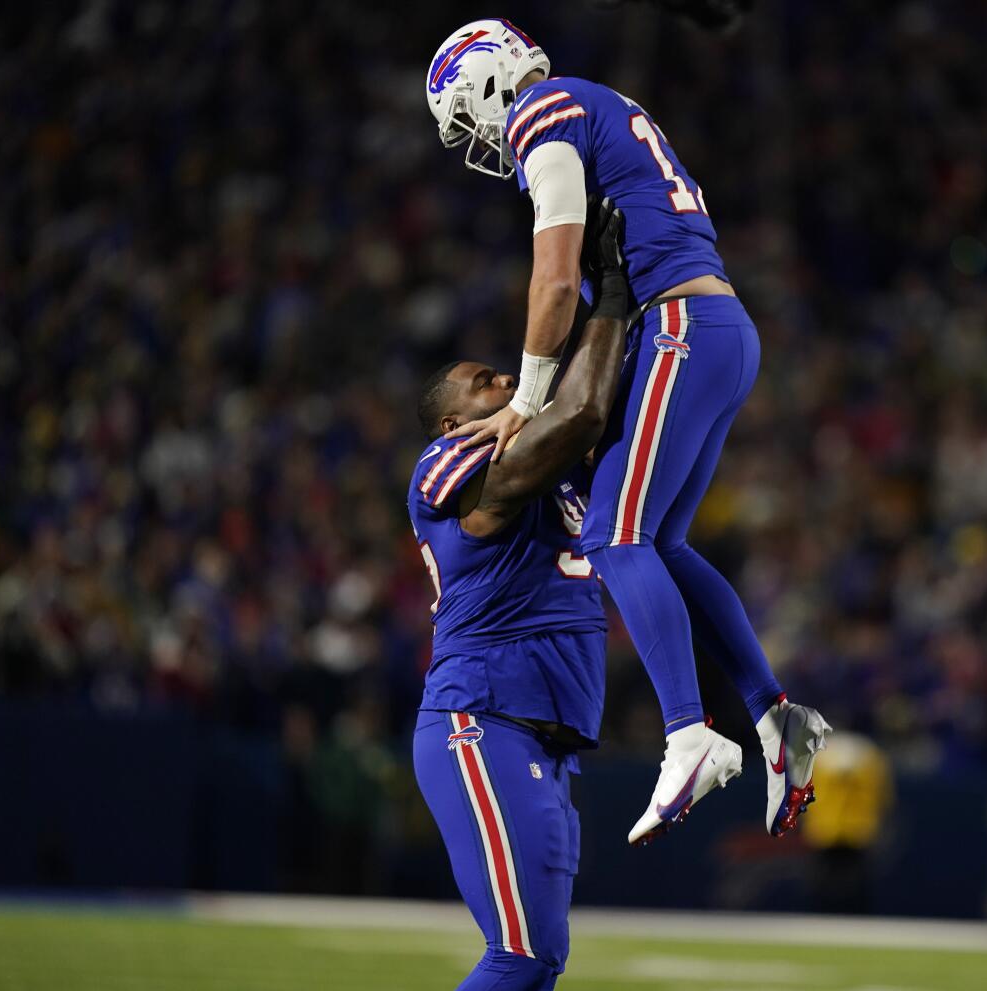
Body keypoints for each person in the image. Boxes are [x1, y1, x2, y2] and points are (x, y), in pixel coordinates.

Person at [424, 17, 831, 846]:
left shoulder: (547, 110)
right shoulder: (598, 104)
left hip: (678, 325)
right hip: (714, 328)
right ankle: (773, 715)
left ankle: (689, 731)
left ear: (491, 81)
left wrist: (525, 396)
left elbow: (556, 272)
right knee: (664, 545)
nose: (480, 139)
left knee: (614, 536)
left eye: (468, 116)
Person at [409, 201, 628, 991]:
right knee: (522, 955)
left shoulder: (548, 468)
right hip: (483, 718)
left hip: (543, 735)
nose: (505, 383)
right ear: (447, 423)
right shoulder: (441, 471)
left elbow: (595, 408)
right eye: (483, 384)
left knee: (541, 964)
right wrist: (611, 295)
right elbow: (577, 414)